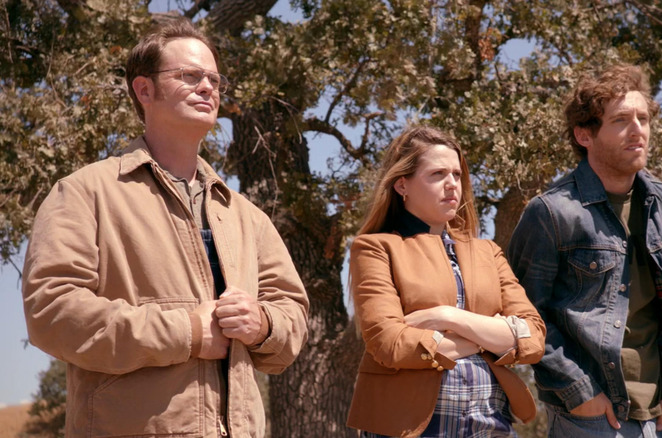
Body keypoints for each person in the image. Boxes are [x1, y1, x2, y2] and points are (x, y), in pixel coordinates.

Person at [21, 18, 309, 437]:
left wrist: (263, 324)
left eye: (214, 78)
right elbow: (52, 312)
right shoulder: (84, 193)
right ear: (144, 90)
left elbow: (293, 315)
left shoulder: (248, 216)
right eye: (190, 76)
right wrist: (187, 332)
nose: (208, 87)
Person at [507, 63, 662, 437]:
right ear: (584, 135)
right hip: (590, 417)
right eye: (621, 120)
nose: (638, 129)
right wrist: (581, 393)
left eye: (642, 118)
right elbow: (525, 316)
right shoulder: (552, 213)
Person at [346, 126, 546, 437]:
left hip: (490, 423)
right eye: (438, 174)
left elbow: (532, 337)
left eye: (456, 174)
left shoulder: (488, 251)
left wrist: (449, 317)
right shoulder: (375, 248)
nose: (452, 184)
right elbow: (389, 343)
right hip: (410, 427)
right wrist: (490, 337)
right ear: (402, 185)